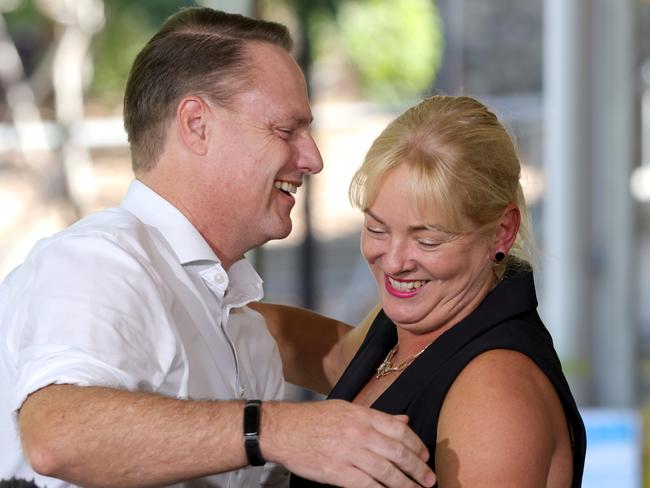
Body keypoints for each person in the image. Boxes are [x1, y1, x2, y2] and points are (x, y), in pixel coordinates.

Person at [0, 7, 436, 488]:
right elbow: (58, 436)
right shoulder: (99, 261)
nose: (313, 159)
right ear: (197, 125)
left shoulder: (241, 327)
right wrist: (277, 430)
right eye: (286, 130)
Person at [258, 95, 587, 487]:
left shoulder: (495, 393)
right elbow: (322, 354)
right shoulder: (415, 325)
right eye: (377, 229)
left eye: (427, 240)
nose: (395, 262)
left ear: (502, 231)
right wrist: (185, 301)